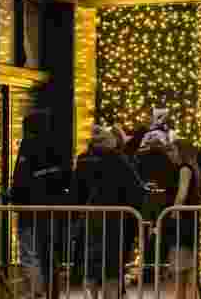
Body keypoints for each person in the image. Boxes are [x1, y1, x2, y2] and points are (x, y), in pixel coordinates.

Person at [73, 125, 146, 299]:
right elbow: (135, 190)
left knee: (91, 263)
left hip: (90, 217)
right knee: (111, 265)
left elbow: (76, 190)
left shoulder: (83, 159)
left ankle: (91, 295)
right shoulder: (118, 160)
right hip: (115, 219)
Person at [10, 110, 69, 299]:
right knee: (49, 252)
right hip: (52, 208)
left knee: (29, 252)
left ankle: (35, 293)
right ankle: (52, 293)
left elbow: (21, 177)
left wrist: (15, 198)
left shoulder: (28, 145)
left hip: (30, 208)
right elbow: (65, 177)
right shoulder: (58, 145)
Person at [164, 139, 201, 299]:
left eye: (172, 151)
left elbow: (182, 193)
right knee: (189, 266)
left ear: (181, 152)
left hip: (182, 222)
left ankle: (180, 296)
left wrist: (173, 212)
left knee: (181, 267)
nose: (170, 154)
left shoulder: (184, 169)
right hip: (190, 220)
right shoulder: (194, 169)